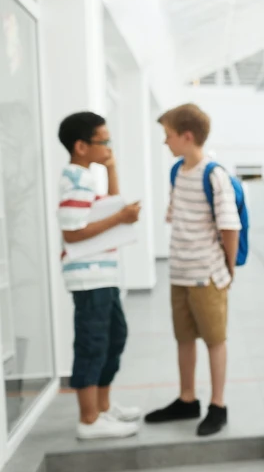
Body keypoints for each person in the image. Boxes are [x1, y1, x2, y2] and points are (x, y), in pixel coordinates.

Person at [144, 103, 241, 437]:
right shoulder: (178, 172)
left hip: (207, 274)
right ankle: (187, 399)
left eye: (168, 136)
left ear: (187, 137)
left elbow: (230, 226)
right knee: (183, 338)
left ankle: (218, 404)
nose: (165, 142)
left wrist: (227, 270)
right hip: (180, 274)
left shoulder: (213, 174)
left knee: (215, 339)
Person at [57, 111, 142, 439]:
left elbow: (110, 206)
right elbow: (73, 232)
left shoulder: (85, 177)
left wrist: (111, 168)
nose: (108, 146)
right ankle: (89, 419)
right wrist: (120, 218)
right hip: (88, 278)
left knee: (114, 337)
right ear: (81, 146)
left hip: (102, 276)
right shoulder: (74, 179)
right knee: (92, 344)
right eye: (102, 141)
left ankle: (103, 408)